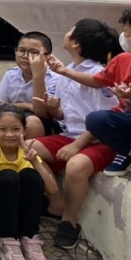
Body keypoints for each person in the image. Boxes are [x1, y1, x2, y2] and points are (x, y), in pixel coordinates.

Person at [49, 6, 131, 189]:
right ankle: (127, 151)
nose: (123, 35)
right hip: (126, 122)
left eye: (126, 31)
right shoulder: (122, 60)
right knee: (95, 119)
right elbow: (97, 81)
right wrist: (64, 71)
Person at [29, 19, 119, 248]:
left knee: (76, 165)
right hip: (70, 136)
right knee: (27, 148)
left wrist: (77, 145)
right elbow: (64, 115)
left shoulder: (99, 75)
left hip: (98, 140)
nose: (66, 32)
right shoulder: (68, 71)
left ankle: (69, 221)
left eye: (71, 31)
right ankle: (55, 201)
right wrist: (54, 109)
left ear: (76, 43)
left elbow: (106, 119)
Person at [0, 105, 57, 260]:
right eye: (3, 129)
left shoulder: (27, 151)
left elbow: (52, 190)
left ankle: (30, 237)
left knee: (30, 175)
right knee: (8, 176)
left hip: (20, 217)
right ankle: (6, 238)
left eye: (16, 129)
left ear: (24, 131)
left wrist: (35, 162)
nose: (10, 134)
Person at [0, 31, 54, 137]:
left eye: (33, 52)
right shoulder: (11, 74)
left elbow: (42, 113)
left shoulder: (55, 78)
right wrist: (26, 106)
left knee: (31, 122)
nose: (25, 56)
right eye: (21, 50)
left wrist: (38, 75)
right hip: (13, 116)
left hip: (42, 123)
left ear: (47, 57)